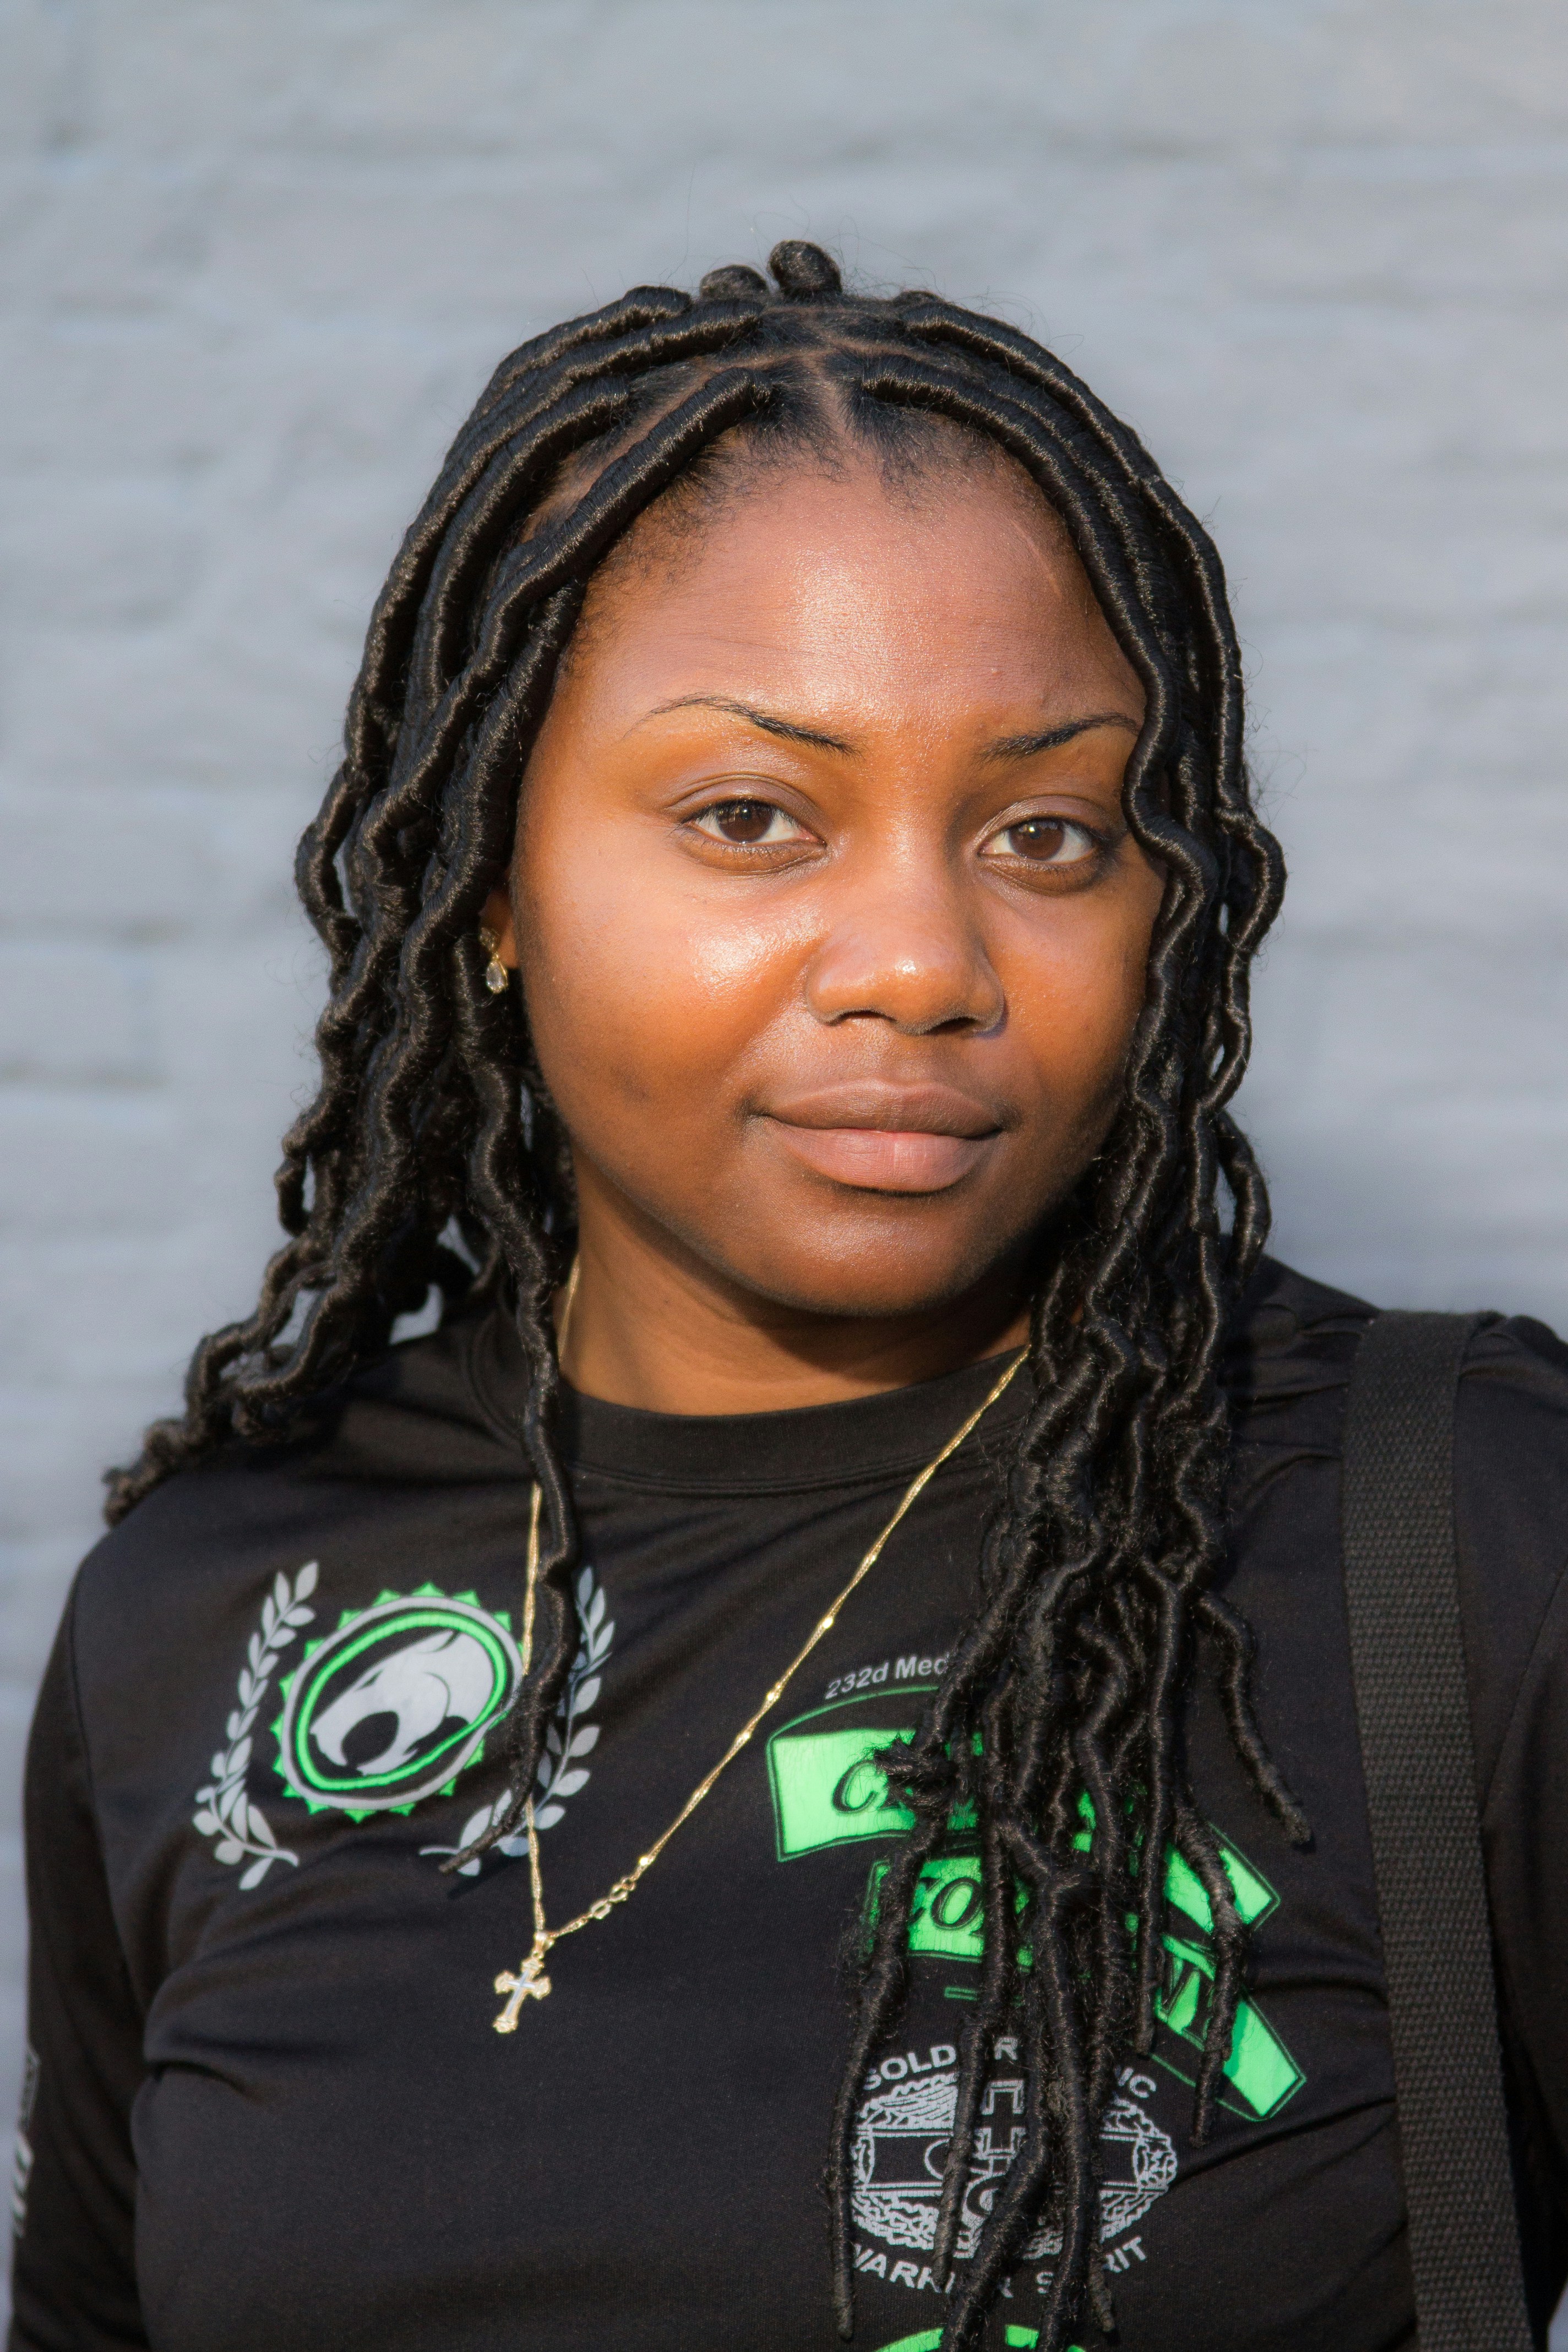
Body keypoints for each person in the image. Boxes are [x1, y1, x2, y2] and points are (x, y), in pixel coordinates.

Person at [9, 241, 1567, 2352]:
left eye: (1047, 833)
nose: (921, 963)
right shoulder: (213, 1611)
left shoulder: (1459, 1535)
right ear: (490, 886)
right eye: (753, 817)